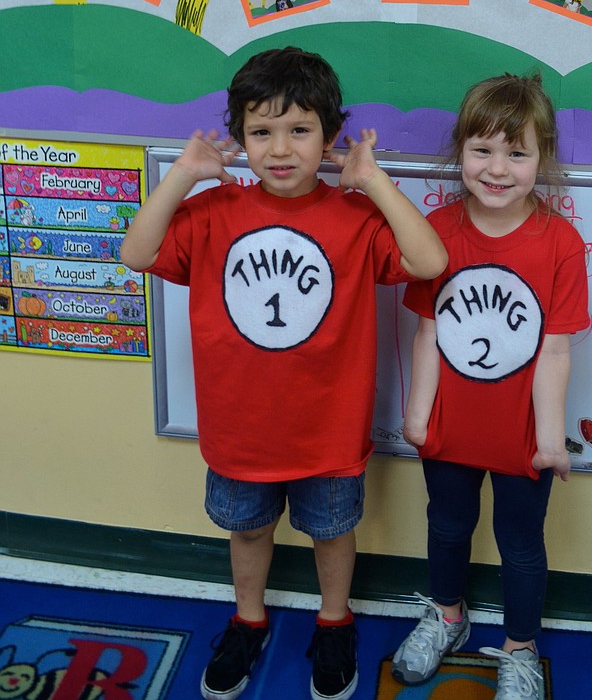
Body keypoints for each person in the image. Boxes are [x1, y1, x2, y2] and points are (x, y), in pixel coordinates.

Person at [120, 48, 447, 700]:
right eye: (261, 130)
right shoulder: (212, 210)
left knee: (332, 532)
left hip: (328, 431)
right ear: (239, 136)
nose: (280, 147)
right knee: (247, 529)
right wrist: (184, 173)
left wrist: (373, 181)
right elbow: (137, 252)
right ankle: (248, 617)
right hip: (240, 430)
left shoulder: (354, 217)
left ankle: (334, 620)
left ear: (329, 134)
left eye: (299, 129)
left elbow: (429, 257)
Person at [392, 73, 590, 700]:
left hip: (522, 431)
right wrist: (418, 413)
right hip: (452, 423)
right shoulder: (438, 230)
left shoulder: (558, 242)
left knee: (521, 546)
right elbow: (426, 333)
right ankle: (446, 616)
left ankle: (520, 647)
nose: (498, 168)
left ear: (543, 158)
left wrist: (552, 438)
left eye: (517, 152)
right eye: (483, 150)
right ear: (460, 152)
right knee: (447, 527)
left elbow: (554, 348)